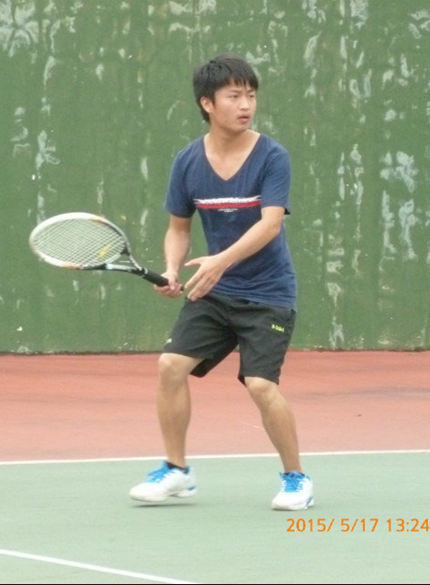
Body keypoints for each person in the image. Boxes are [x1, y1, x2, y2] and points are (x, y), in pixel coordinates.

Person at [128, 54, 313, 511]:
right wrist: (173, 268)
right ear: (207, 103)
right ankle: (177, 471)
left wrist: (220, 262)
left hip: (268, 294)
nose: (246, 105)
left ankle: (296, 479)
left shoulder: (272, 156)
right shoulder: (188, 161)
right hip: (216, 293)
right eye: (234, 96)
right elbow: (178, 228)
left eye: (250, 95)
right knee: (170, 366)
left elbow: (270, 224)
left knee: (261, 386)